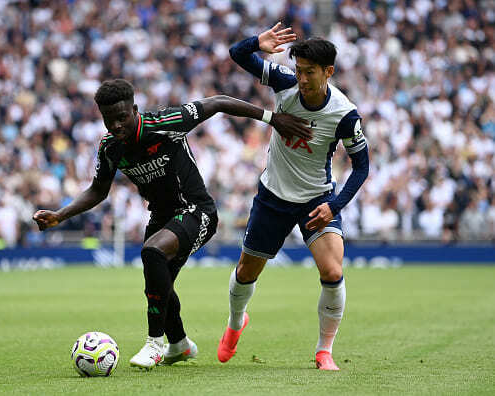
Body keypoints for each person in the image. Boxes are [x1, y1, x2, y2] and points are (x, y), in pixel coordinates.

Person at [32, 79, 312, 370]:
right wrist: (59, 215)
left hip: (196, 210)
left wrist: (272, 118)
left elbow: (217, 102)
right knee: (158, 283)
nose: (115, 125)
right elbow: (98, 190)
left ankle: (154, 343)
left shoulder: (166, 122)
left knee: (152, 253)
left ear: (135, 110)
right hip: (162, 217)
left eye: (122, 117)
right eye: (108, 119)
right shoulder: (109, 148)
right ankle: (179, 344)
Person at [218, 23, 370, 371]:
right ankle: (236, 322)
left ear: (328, 72)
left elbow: (361, 167)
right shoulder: (284, 82)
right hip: (273, 196)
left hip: (317, 200)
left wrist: (333, 206)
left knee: (332, 271)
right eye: (299, 70)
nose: (301, 78)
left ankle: (324, 351)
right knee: (246, 271)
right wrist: (258, 42)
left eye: (310, 72)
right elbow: (237, 54)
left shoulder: (345, 114)